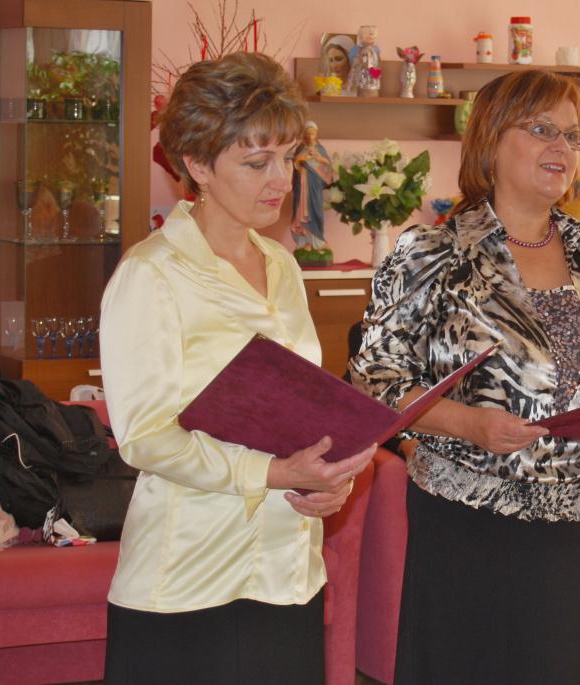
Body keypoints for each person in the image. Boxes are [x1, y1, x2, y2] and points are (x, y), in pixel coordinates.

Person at [349, 69, 580, 685]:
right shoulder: (430, 253)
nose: (563, 147)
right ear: (492, 139)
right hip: (467, 520)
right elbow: (374, 382)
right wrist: (468, 423)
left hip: (573, 520)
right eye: (542, 129)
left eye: (573, 136)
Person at [99, 52, 374, 684]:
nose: (281, 180)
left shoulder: (281, 266)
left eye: (289, 158)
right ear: (197, 165)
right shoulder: (150, 275)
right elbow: (145, 437)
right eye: (257, 163)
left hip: (287, 573)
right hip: (187, 580)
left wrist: (327, 478)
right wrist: (273, 472)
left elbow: (301, 409)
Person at [291, 120, 333, 250]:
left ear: (316, 134)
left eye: (312, 134)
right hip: (302, 185)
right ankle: (305, 241)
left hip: (315, 185)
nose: (310, 136)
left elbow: (328, 166)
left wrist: (318, 158)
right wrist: (301, 159)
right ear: (304, 134)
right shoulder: (300, 148)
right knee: (302, 211)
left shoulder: (320, 149)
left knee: (315, 210)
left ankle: (317, 241)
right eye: (308, 134)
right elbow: (294, 165)